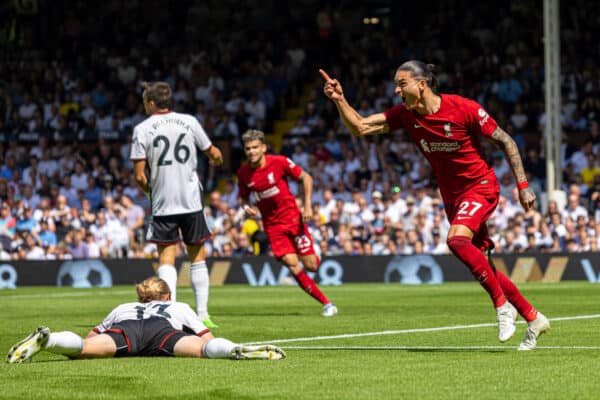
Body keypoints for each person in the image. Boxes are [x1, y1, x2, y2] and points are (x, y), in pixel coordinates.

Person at [320, 61, 549, 350]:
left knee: (455, 240)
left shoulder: (463, 108)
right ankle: (533, 317)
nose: (396, 90)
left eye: (402, 84)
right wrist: (340, 99)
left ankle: (503, 307)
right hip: (452, 197)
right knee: (484, 263)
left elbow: (506, 141)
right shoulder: (406, 115)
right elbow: (361, 127)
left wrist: (523, 185)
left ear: (421, 84)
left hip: (480, 187)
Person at [7, 277, 285, 363]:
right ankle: (235, 349)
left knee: (82, 349)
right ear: (167, 296)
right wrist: (213, 345)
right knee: (204, 351)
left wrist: (84, 350)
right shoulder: (177, 305)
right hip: (161, 332)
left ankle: (49, 339)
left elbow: (92, 337)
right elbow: (205, 339)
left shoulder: (124, 306)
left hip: (124, 330)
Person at [130, 81, 224, 328]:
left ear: (151, 103)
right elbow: (212, 152)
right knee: (197, 257)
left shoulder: (142, 129)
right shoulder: (189, 122)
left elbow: (139, 175)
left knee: (167, 260)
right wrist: (217, 159)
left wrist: (151, 192)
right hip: (191, 201)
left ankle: (169, 314)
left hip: (164, 204)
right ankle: (203, 315)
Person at [237, 129, 337, 317]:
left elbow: (306, 177)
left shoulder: (279, 162)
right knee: (292, 264)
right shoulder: (244, 173)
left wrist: (307, 206)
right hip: (273, 227)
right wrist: (245, 207)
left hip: (293, 218)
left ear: (264, 148)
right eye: (248, 148)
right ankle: (327, 304)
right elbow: (242, 198)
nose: (251, 151)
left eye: (255, 147)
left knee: (312, 266)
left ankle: (315, 250)